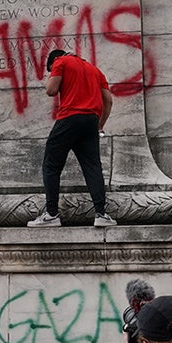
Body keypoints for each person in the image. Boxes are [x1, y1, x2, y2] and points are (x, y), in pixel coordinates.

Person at [27, 49, 116, 228]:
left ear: (53, 62)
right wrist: (100, 124)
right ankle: (101, 214)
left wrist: (55, 76)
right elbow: (108, 100)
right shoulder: (94, 70)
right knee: (92, 166)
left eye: (50, 69)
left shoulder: (61, 61)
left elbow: (51, 90)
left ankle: (51, 214)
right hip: (91, 121)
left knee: (51, 165)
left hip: (69, 118)